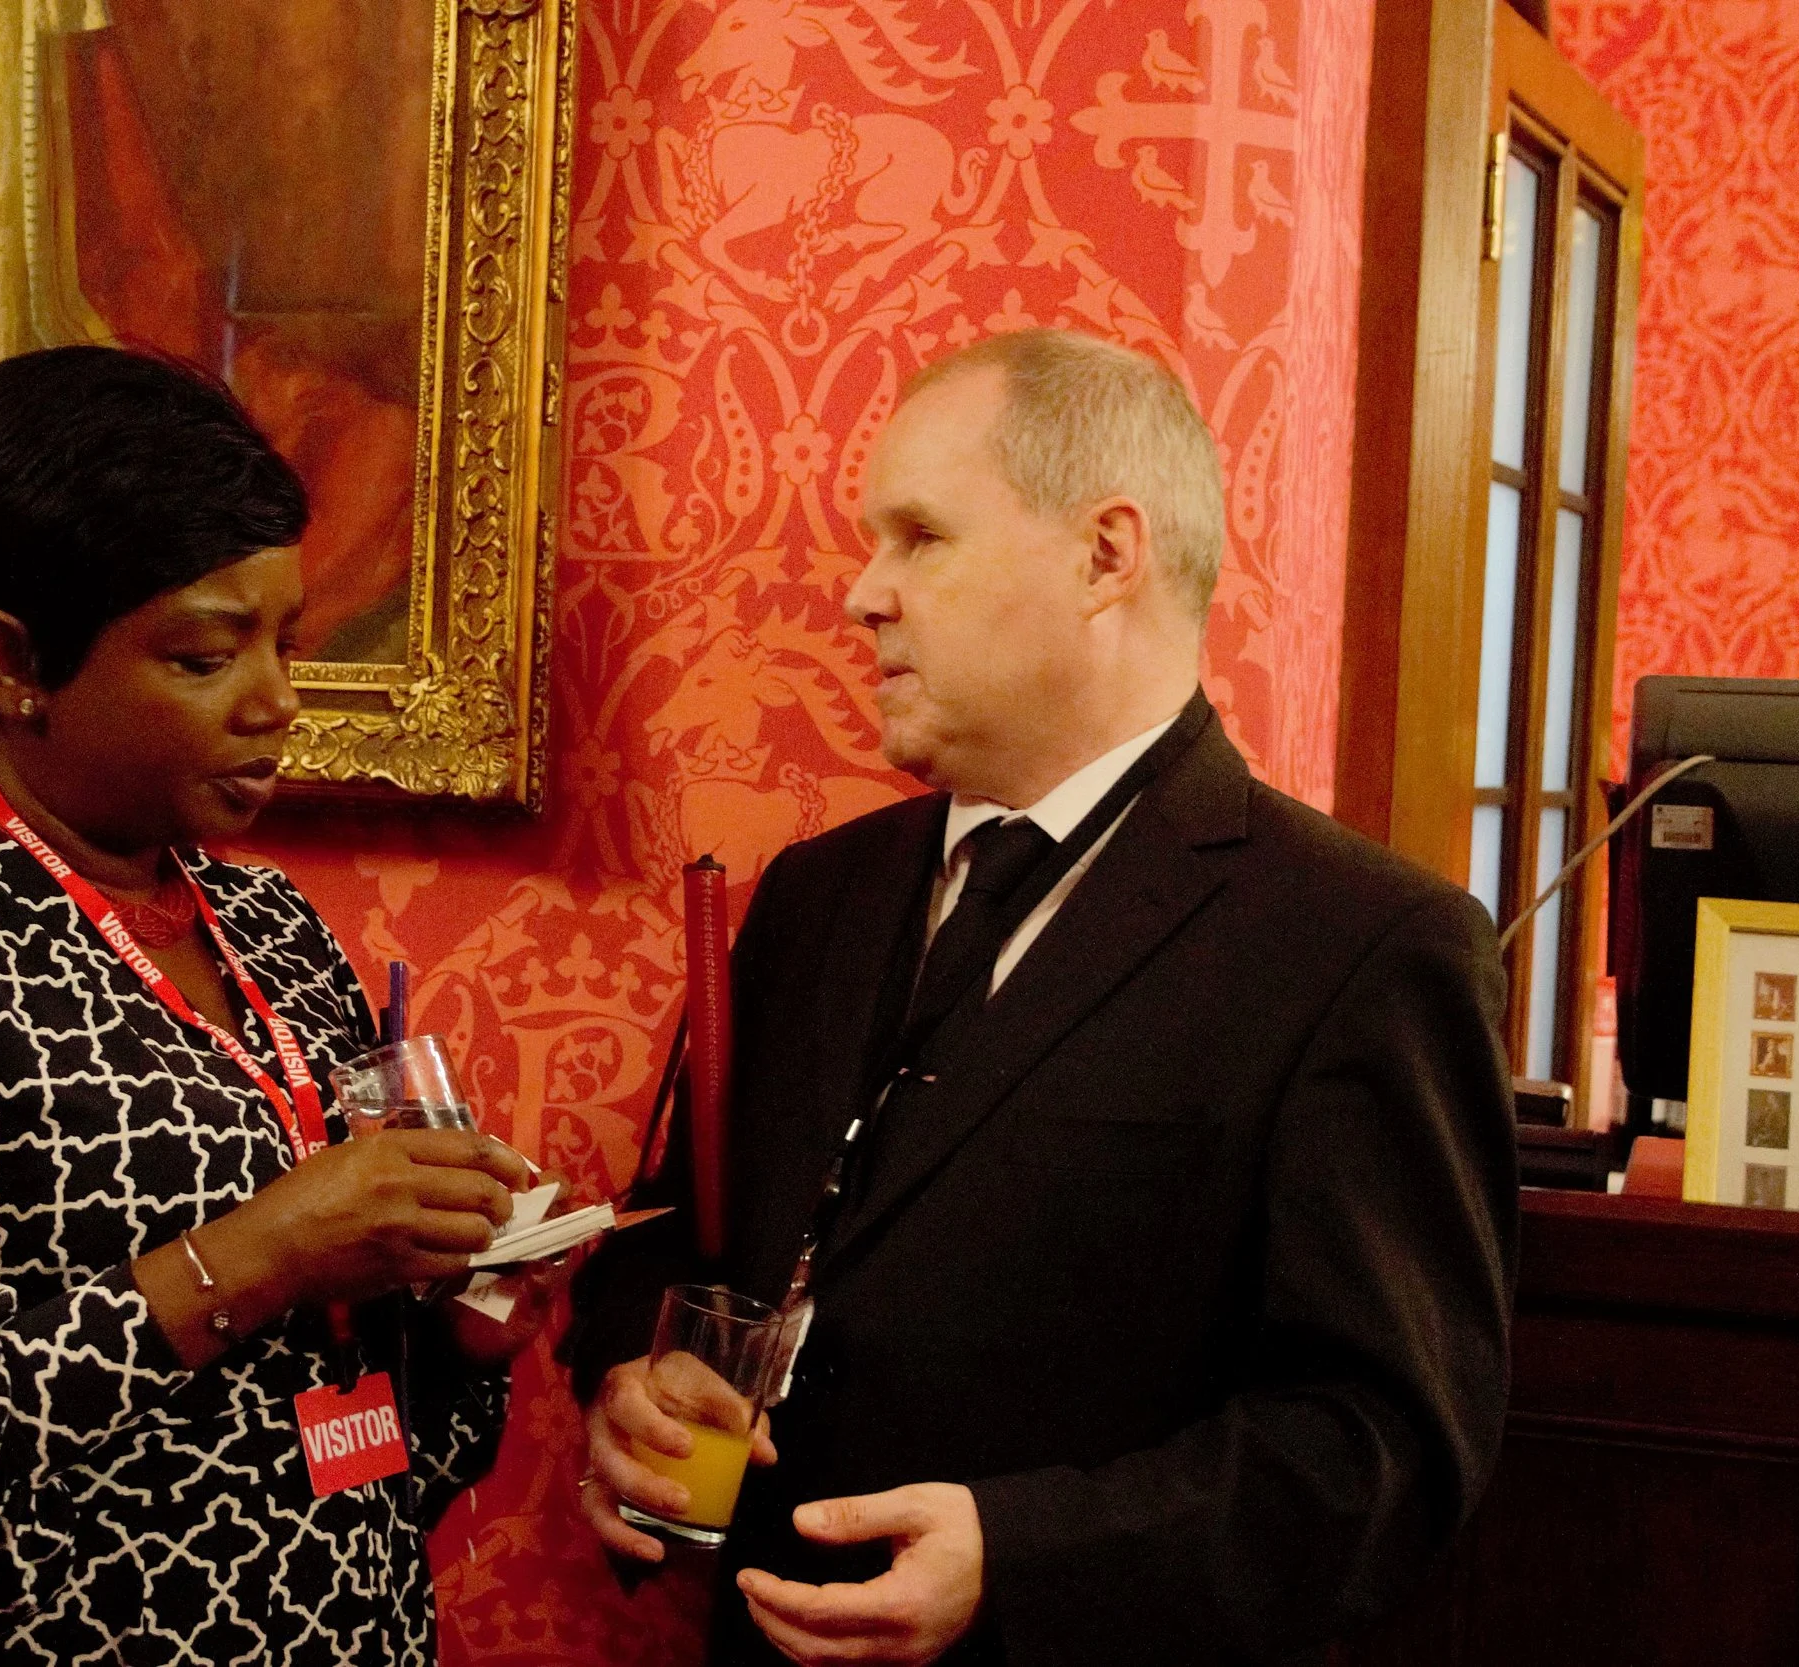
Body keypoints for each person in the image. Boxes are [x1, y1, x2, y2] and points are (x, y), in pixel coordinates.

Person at [571, 329, 1518, 1666]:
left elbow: (1381, 1451)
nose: (860, 594)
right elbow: (681, 1238)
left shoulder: (1365, 946)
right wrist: (629, 1378)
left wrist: (1021, 1558)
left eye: (919, 536)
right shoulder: (814, 896)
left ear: (1105, 555)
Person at [0, 346, 545, 1666]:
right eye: (203, 654)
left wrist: (465, 1313)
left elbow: (365, 1455)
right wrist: (263, 1251)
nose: (276, 702)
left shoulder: (270, 928)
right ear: (15, 663)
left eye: (286, 641)